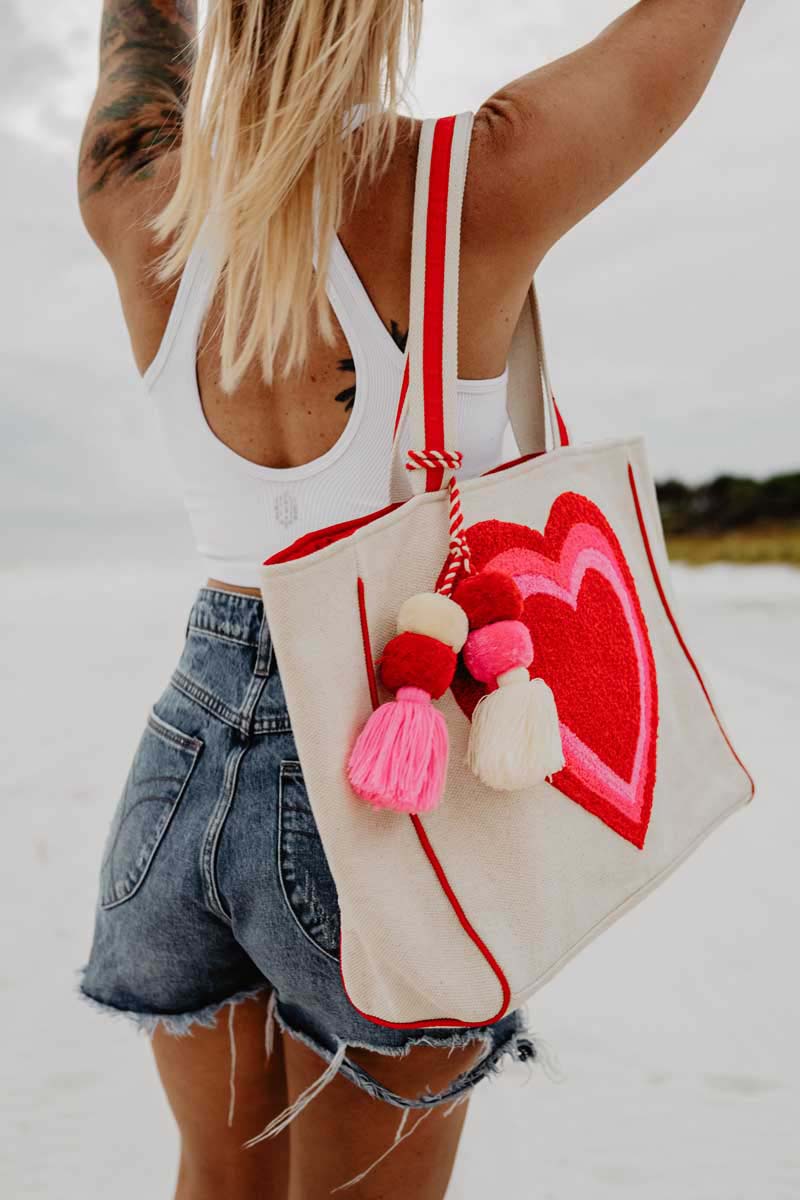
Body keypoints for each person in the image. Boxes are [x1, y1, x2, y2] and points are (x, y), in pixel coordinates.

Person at [77, 2, 746, 1196]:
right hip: (391, 765)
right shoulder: (475, 182)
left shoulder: (137, 195)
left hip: (183, 768)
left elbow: (136, 34)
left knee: (213, 1180)